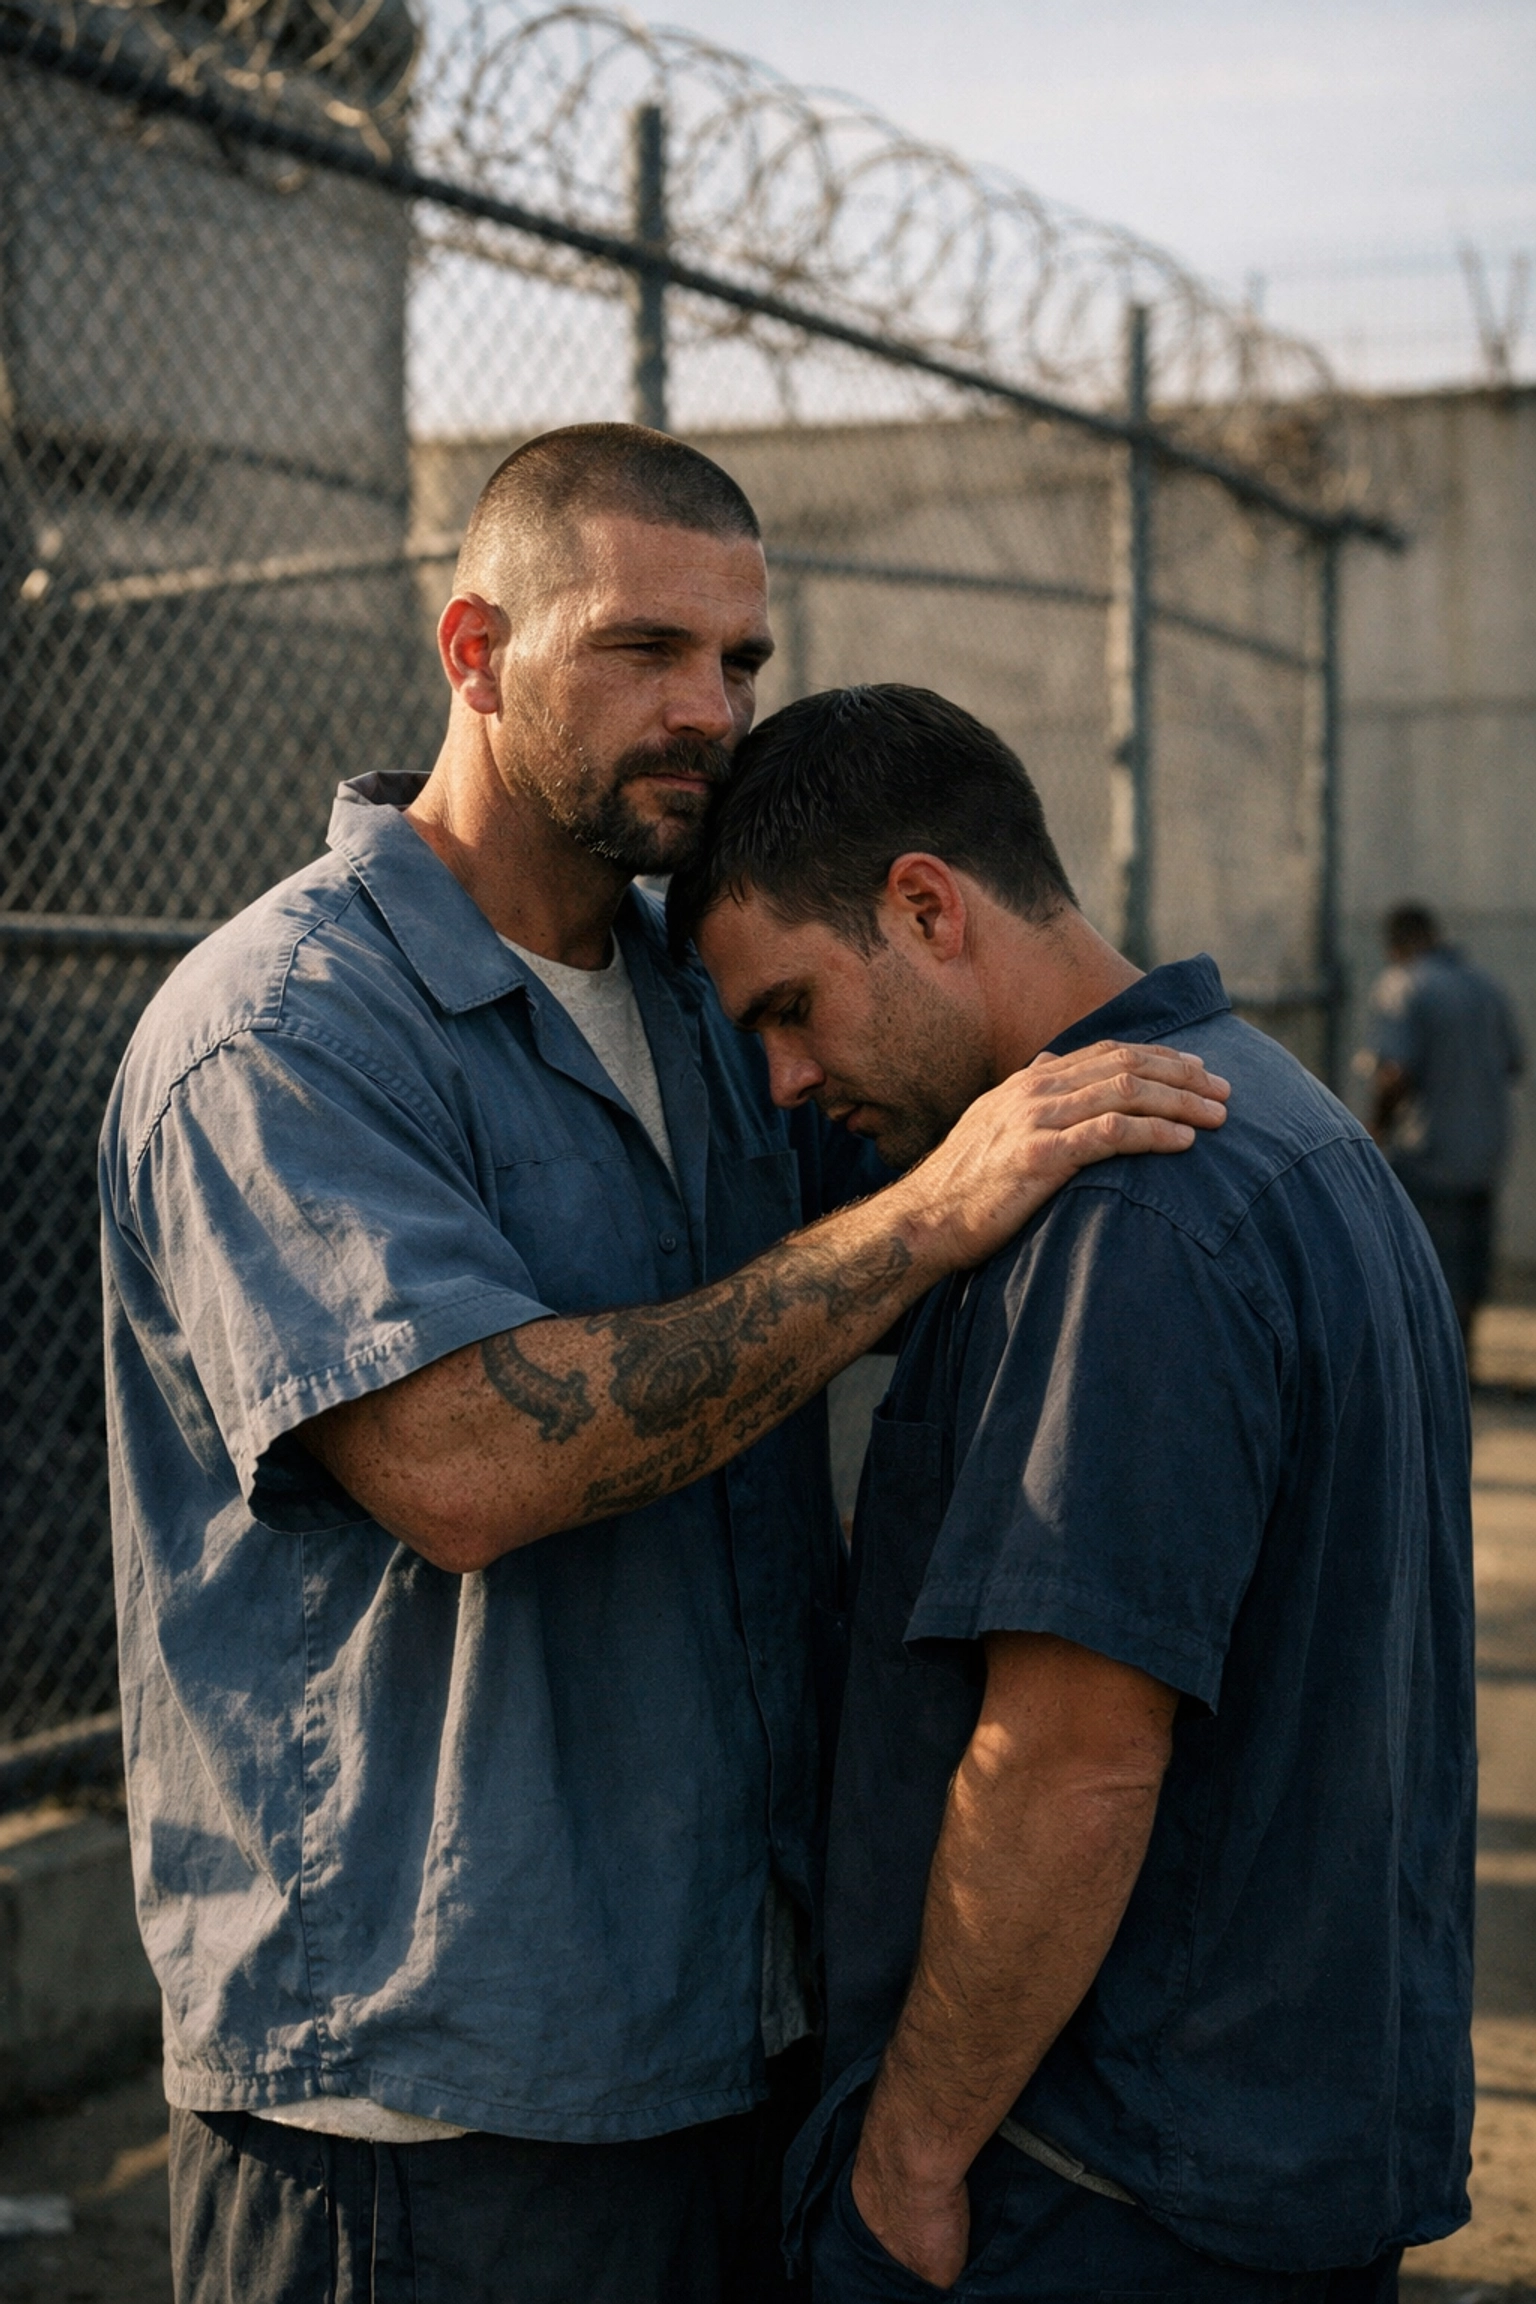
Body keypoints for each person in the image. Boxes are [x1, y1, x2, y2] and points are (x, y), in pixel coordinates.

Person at [99, 430, 1230, 2304]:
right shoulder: (282, 1033)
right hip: (429, 2107)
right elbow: (467, 1462)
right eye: (643, 649)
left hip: (732, 2038)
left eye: (741, 660)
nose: (708, 708)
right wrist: (921, 1215)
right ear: (473, 647)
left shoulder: (710, 1006)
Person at [672, 684, 1476, 2302]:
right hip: (1258, 2142)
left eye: (790, 1006)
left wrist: (904, 2158)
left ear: (924, 905)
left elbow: (1072, 1759)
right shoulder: (1287, 1119)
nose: (781, 1078)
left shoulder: (1127, 1217)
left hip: (1106, 2185)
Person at [1361, 901, 1524, 1351]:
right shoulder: (1486, 986)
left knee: (1431, 1266)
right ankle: (1465, 1361)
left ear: (1395, 945)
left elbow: (1393, 1070)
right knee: (1472, 1265)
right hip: (1487, 1152)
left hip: (1428, 1154)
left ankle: (1441, 1369)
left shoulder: (1405, 984)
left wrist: (1376, 1123)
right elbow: (1513, 1062)